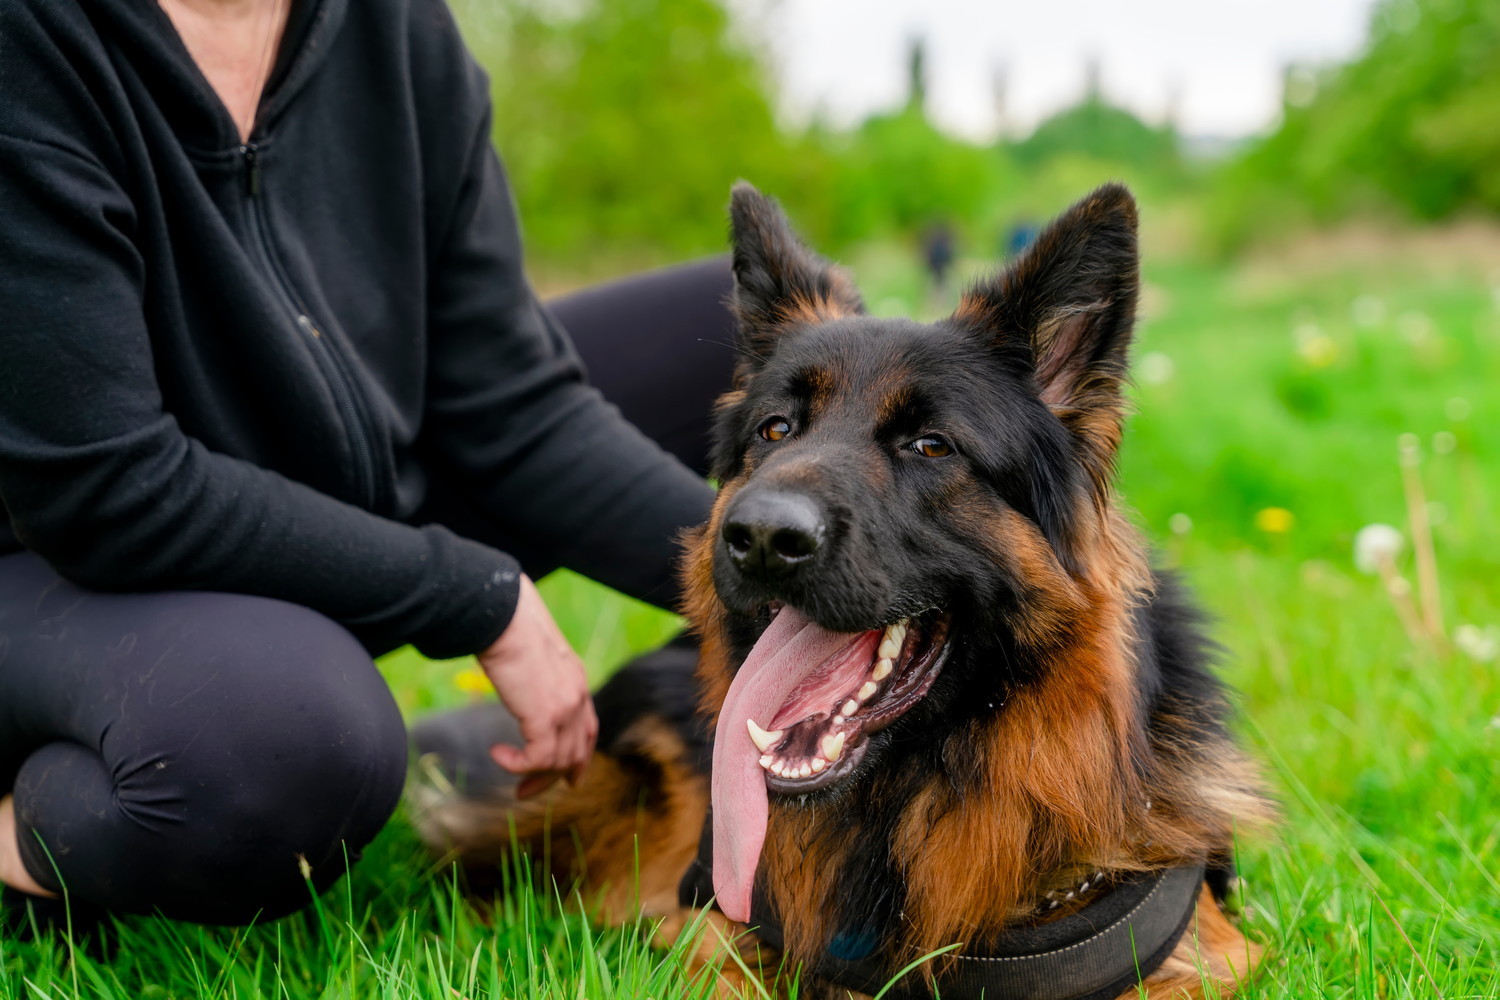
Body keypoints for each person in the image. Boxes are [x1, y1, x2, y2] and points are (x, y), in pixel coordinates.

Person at [0, 0, 734, 929]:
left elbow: (514, 407)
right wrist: (477, 596)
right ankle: (37, 828)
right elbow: (104, 490)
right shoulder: (29, 42)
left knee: (764, 327)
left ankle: (766, 772)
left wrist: (769, 595)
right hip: (49, 563)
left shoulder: (390, 26)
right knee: (286, 755)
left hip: (312, 493)